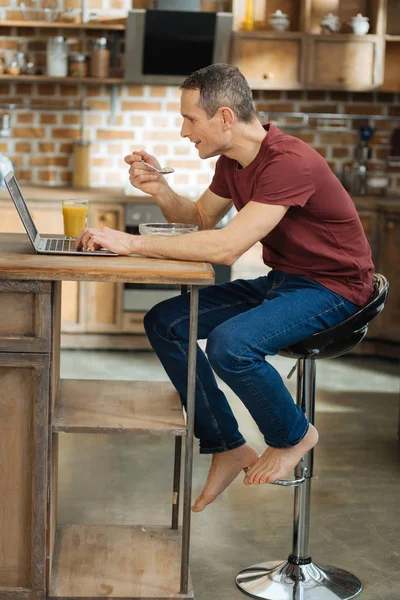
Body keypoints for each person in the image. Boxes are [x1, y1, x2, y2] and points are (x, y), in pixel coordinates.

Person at [76, 63, 374, 513]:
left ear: (226, 118)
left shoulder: (288, 162)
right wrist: (159, 188)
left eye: (190, 119)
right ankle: (226, 444)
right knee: (166, 321)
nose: (183, 131)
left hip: (335, 288)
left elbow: (228, 247)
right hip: (287, 283)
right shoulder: (234, 162)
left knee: (230, 345)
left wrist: (130, 242)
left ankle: (295, 434)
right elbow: (199, 219)